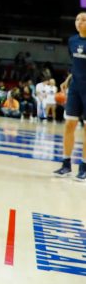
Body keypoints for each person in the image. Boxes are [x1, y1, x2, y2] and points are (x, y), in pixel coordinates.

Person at [53, 12, 86, 180]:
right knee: (69, 126)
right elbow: (75, 64)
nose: (79, 22)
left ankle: (84, 167)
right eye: (77, 19)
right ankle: (66, 165)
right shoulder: (72, 41)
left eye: (83, 20)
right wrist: (68, 79)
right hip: (74, 89)